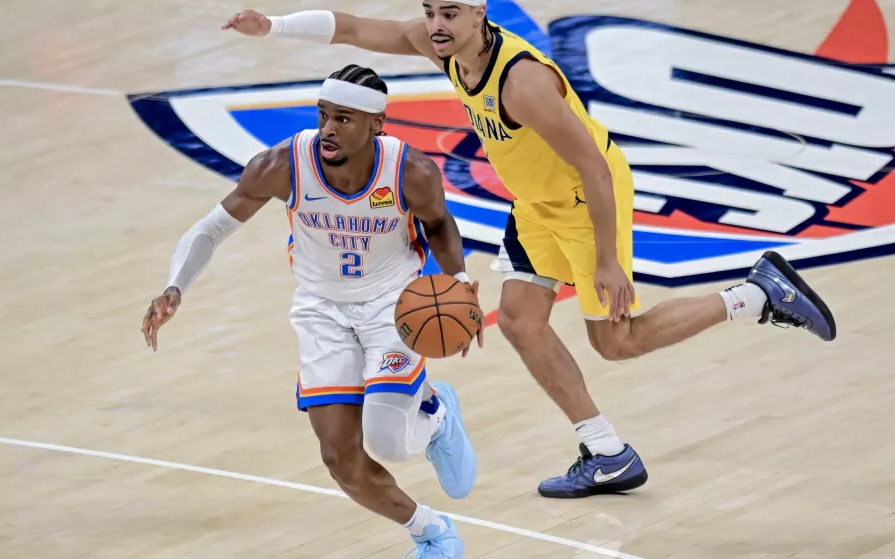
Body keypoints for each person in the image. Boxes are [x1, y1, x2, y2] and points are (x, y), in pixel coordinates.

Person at [222, 0, 838, 500]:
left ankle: (757, 294)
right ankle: (607, 454)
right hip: (538, 203)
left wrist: (606, 260)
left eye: (451, 14)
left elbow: (595, 167)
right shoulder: (446, 49)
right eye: (431, 11)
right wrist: (270, 26)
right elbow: (354, 27)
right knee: (520, 321)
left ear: (481, 13)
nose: (436, 25)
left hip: (584, 201)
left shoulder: (521, 82)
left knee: (616, 342)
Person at [140, 65, 481, 559]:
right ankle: (433, 532)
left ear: (376, 125)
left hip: (392, 304)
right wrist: (174, 287)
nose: (328, 129)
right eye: (324, 116)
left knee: (388, 441)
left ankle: (436, 411)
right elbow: (210, 229)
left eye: (344, 119)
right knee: (340, 459)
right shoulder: (282, 164)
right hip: (322, 310)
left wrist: (462, 285)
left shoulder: (411, 171)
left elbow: (440, 226)